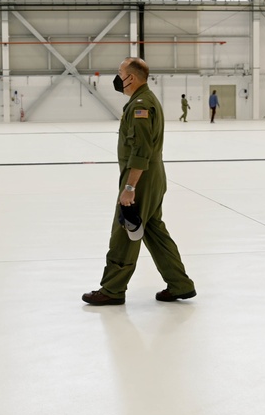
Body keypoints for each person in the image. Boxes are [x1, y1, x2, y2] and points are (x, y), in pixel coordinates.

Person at [82, 57, 197, 306]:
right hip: (152, 175)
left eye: (119, 72)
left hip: (141, 178)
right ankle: (180, 284)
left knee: (124, 231)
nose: (116, 77)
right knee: (154, 232)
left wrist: (129, 188)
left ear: (130, 78)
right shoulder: (143, 100)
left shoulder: (140, 106)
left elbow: (141, 151)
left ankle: (112, 289)